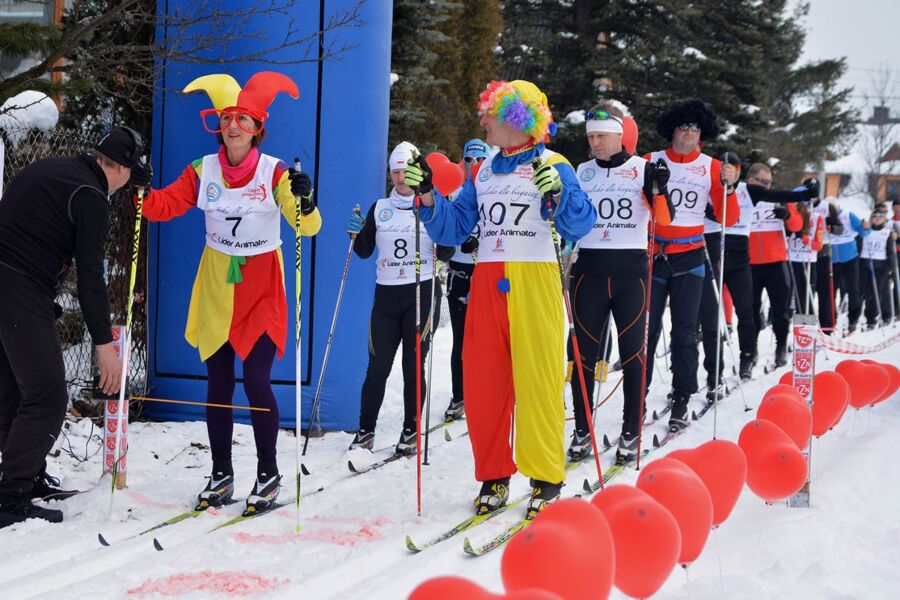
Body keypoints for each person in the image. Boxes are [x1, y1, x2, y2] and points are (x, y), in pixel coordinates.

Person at [407, 80, 595, 517]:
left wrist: (560, 193)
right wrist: (428, 195)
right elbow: (454, 228)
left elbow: (580, 224)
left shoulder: (555, 163)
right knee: (484, 383)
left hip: (535, 278)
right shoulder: (484, 170)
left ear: (516, 117)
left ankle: (546, 477)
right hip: (488, 280)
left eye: (490, 113)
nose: (483, 120)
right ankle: (494, 474)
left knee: (538, 381)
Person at [138, 72, 321, 513]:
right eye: (227, 119)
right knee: (218, 383)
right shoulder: (204, 170)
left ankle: (268, 473)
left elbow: (306, 226)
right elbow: (163, 206)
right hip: (217, 288)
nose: (234, 126)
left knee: (256, 380)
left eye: (243, 119)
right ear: (219, 125)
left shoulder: (274, 170)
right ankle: (221, 473)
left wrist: (306, 200)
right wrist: (140, 189)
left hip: (261, 289)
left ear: (258, 127)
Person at [0, 126, 146, 527]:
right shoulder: (91, 197)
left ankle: (22, 480)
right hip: (18, 288)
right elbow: (90, 280)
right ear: (121, 168)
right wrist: (104, 344)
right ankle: (10, 495)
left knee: (14, 391)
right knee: (46, 398)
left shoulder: (52, 169)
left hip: (12, 284)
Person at [567, 102, 673, 464]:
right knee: (581, 357)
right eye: (591, 137)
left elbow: (665, 219)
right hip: (590, 272)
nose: (595, 143)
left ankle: (631, 430)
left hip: (631, 273)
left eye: (601, 136)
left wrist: (661, 187)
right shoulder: (581, 171)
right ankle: (582, 429)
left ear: (618, 134)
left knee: (632, 356)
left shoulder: (642, 169)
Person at [346, 142, 453, 455]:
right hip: (387, 294)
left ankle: (411, 429)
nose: (402, 178)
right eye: (396, 172)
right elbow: (364, 251)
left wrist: (442, 231)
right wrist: (354, 233)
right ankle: (365, 431)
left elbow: (446, 250)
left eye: (407, 171)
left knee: (412, 364)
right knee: (377, 366)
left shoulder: (431, 204)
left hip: (421, 292)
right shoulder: (379, 208)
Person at [644, 99, 739, 432]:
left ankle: (682, 396)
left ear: (702, 133)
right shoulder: (649, 160)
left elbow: (730, 217)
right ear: (672, 128)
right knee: (646, 331)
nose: (687, 133)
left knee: (685, 332)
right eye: (682, 126)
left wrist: (730, 187)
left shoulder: (712, 166)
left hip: (690, 257)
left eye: (693, 127)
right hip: (654, 255)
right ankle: (636, 396)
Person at [745, 163, 810, 371]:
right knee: (750, 311)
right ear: (750, 180)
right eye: (763, 182)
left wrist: (788, 215)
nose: (767, 186)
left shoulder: (778, 198)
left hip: (776, 262)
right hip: (750, 263)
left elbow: (798, 225)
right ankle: (750, 351)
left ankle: (781, 346)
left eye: (769, 182)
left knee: (781, 310)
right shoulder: (744, 197)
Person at [443, 139, 490, 422]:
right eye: (469, 160)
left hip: (486, 274)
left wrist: (479, 241)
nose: (474, 165)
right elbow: (445, 228)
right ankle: (459, 396)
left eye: (480, 160)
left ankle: (486, 392)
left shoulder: (493, 187)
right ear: (462, 162)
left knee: (487, 339)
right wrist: (451, 242)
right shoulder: (454, 191)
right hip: (459, 273)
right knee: (460, 339)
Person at [826, 202, 870, 334]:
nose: (832, 210)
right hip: (832, 260)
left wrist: (866, 228)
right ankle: (831, 321)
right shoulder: (823, 216)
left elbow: (863, 232)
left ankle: (853, 320)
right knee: (831, 291)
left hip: (850, 258)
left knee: (853, 290)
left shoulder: (848, 215)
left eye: (833, 207)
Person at [859, 209, 896, 327]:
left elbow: (890, 252)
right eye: (875, 216)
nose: (878, 218)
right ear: (871, 218)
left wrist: (892, 268)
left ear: (884, 219)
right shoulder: (865, 231)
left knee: (876, 293)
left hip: (881, 266)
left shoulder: (886, 232)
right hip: (865, 264)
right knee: (862, 292)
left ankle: (872, 318)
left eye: (881, 216)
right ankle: (857, 316)